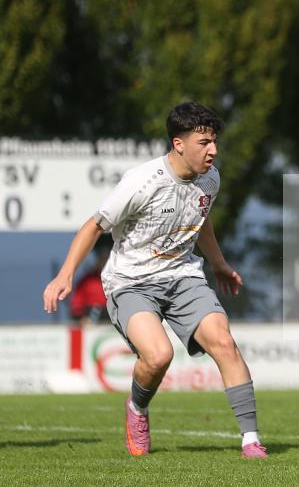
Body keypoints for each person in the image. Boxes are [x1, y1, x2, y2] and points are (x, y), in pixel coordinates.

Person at [43, 102, 267, 459]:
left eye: (214, 141)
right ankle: (137, 407)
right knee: (159, 356)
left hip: (183, 276)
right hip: (131, 282)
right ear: (178, 144)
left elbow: (201, 218)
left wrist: (219, 264)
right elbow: (93, 226)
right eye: (204, 142)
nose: (213, 150)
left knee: (224, 341)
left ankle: (251, 440)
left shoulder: (211, 178)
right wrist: (65, 273)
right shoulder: (141, 182)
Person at [69, 235, 113, 325]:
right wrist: (81, 318)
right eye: (101, 257)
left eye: (106, 258)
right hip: (92, 323)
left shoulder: (122, 279)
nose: (104, 261)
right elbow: (76, 306)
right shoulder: (86, 281)